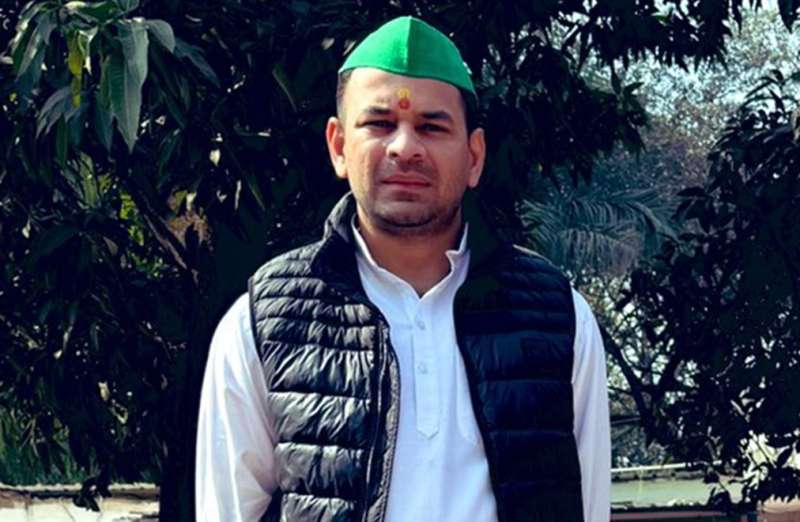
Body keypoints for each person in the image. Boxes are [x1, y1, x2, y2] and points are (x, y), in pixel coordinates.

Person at [195, 16, 610, 522]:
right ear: (338, 147)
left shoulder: (556, 317)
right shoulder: (262, 323)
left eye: (432, 127)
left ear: (474, 156)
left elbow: (588, 508)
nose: (405, 148)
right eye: (380, 124)